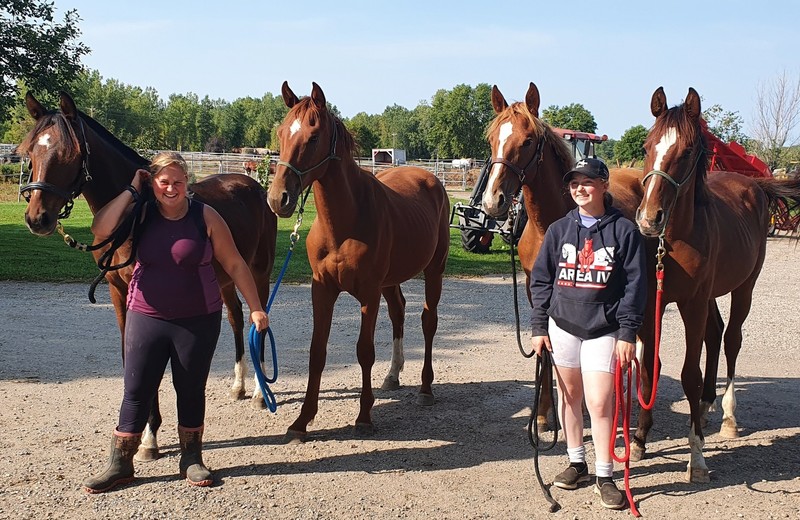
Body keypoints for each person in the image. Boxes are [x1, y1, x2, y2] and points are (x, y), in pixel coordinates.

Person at [83, 152, 269, 493]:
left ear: (187, 183)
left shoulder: (206, 216)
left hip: (197, 319)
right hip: (145, 317)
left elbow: (236, 264)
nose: (171, 189)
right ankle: (120, 462)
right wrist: (131, 189)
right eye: (163, 182)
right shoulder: (139, 214)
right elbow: (99, 228)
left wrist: (256, 307)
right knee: (136, 390)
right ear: (153, 183)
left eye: (178, 182)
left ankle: (191, 457)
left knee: (190, 389)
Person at [529, 157, 646, 510]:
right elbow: (541, 280)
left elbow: (635, 286)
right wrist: (538, 327)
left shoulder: (624, 231)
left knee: (599, 401)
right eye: (574, 183)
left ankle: (604, 474)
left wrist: (628, 332)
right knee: (569, 398)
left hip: (604, 329)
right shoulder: (559, 230)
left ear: (604, 186)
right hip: (562, 326)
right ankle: (577, 460)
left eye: (588, 182)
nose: (580, 188)